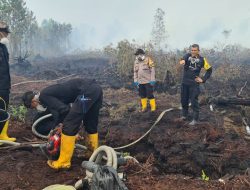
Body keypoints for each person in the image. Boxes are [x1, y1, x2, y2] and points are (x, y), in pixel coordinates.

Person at [22, 78, 103, 169]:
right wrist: (57, 126)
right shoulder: (47, 94)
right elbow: (60, 111)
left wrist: (63, 126)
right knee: (90, 122)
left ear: (33, 101)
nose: (33, 108)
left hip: (86, 92)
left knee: (69, 126)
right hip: (96, 89)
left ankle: (63, 162)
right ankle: (92, 154)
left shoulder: (43, 96)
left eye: (31, 107)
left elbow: (65, 110)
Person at [179, 44, 212, 125]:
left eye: (195, 50)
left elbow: (209, 70)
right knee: (184, 100)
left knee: (194, 101)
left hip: (194, 84)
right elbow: (183, 59)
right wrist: (182, 61)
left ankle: (195, 119)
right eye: (192, 50)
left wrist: (203, 79)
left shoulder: (202, 59)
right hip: (185, 83)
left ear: (198, 51)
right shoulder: (187, 56)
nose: (193, 52)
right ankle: (184, 115)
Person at [0, 21, 16, 142]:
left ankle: (2, 135)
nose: (7, 36)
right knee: (1, 109)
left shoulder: (3, 47)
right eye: (5, 33)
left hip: (4, 85)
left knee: (4, 109)